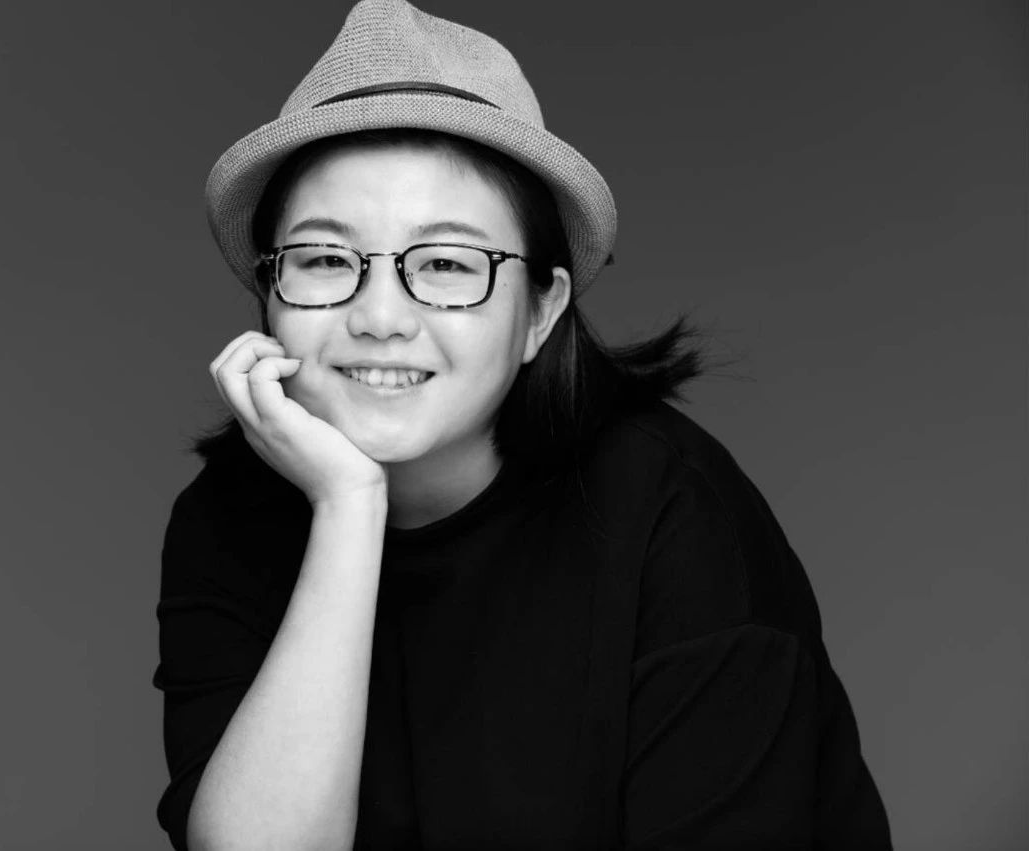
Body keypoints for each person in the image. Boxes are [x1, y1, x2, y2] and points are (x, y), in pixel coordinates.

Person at [153, 1, 893, 848]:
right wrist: (349, 507)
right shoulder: (227, 519)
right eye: (325, 258)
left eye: (446, 262)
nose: (380, 317)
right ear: (270, 292)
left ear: (541, 310)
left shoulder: (672, 511)